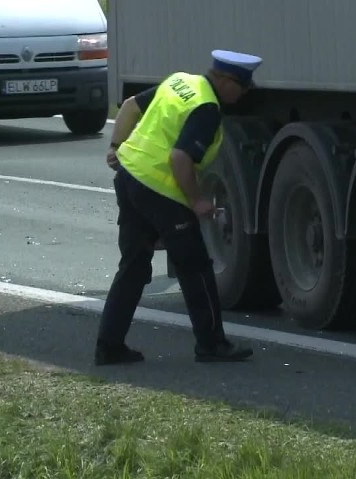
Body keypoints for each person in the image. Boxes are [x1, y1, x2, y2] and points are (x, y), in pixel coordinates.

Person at [94, 50, 262, 365]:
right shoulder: (206, 108)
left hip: (129, 178)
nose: (246, 91)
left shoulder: (180, 81)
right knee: (195, 266)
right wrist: (198, 201)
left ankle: (109, 347)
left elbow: (130, 106)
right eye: (243, 84)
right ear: (225, 81)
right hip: (160, 191)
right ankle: (212, 344)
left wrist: (116, 146)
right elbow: (180, 158)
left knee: (133, 265)